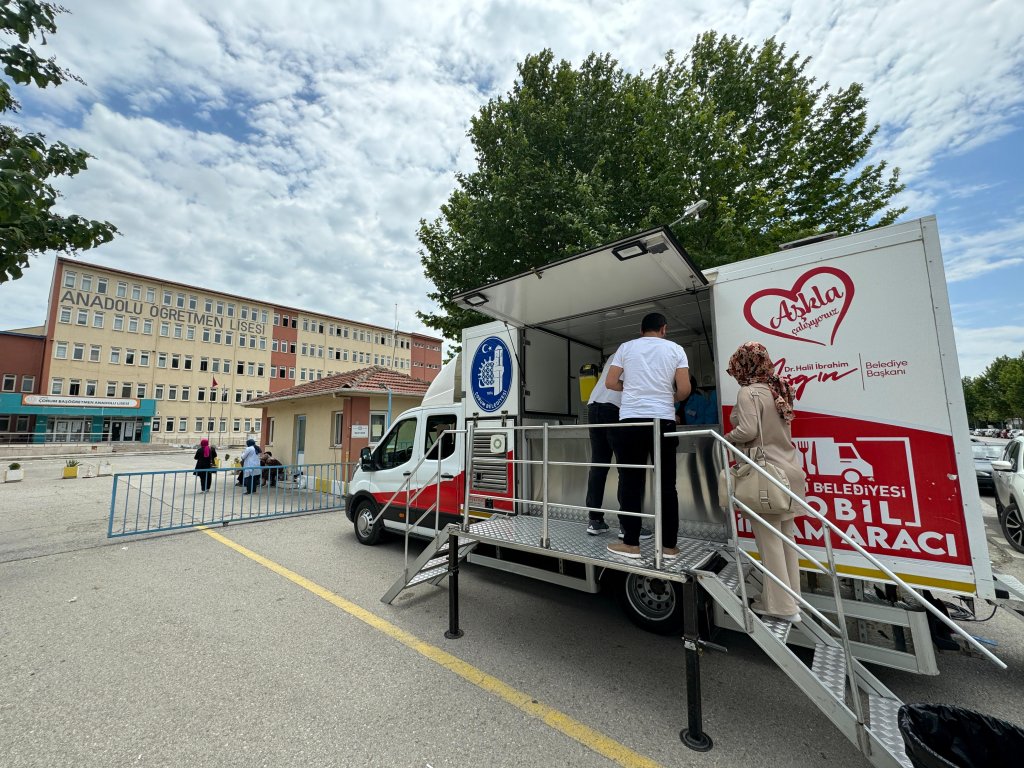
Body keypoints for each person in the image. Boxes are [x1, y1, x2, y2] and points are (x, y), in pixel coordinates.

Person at [724, 341, 806, 623]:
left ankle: (782, 607)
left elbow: (747, 430)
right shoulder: (778, 389)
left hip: (766, 474)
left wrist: (727, 437)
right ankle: (790, 598)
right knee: (786, 539)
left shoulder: (749, 392)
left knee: (769, 540)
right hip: (790, 470)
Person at [604, 312, 690, 559]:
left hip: (630, 419)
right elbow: (684, 390)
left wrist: (630, 388)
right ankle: (669, 546)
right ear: (664, 328)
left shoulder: (626, 348)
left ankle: (631, 544)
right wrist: (667, 396)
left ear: (641, 330)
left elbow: (610, 382)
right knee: (666, 484)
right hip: (662, 420)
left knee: (631, 481)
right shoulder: (676, 349)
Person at [584, 358, 623, 535]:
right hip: (614, 407)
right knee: (627, 468)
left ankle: (595, 520)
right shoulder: (641, 352)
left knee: (598, 466)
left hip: (593, 406)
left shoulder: (616, 353)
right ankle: (627, 525)